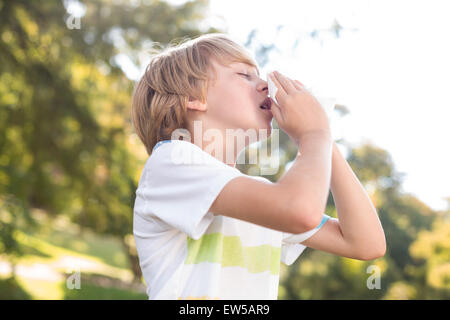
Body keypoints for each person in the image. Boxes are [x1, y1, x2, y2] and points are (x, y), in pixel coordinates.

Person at [130, 33, 386, 300]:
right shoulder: (171, 161)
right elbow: (300, 210)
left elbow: (366, 243)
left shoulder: (265, 198)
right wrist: (313, 134)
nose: (265, 85)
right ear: (194, 96)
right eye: (245, 75)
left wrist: (324, 138)